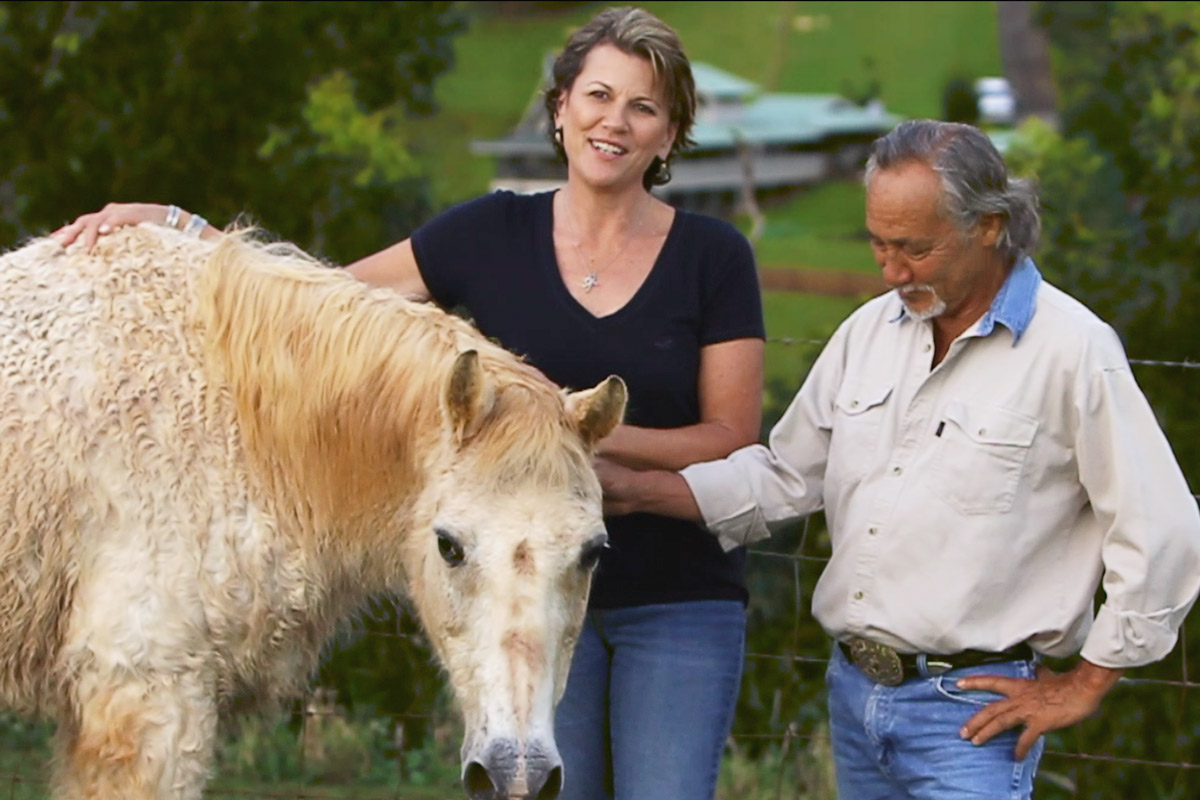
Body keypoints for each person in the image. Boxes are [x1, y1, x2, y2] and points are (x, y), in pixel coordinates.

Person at [53, 7, 765, 799]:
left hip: (675, 597)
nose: (615, 122)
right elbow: (320, 308)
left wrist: (570, 451)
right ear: (560, 108)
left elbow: (731, 435)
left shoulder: (713, 256)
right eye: (598, 96)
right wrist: (183, 232)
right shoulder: (490, 231)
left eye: (644, 107)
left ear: (670, 135)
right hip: (516, 594)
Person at [596, 119, 1200, 798]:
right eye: (879, 244)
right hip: (854, 699)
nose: (891, 270)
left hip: (973, 719)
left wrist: (1086, 683)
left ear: (991, 225)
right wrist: (635, 490)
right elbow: (785, 477)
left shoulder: (1073, 351)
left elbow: (1162, 528)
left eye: (915, 248)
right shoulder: (869, 332)